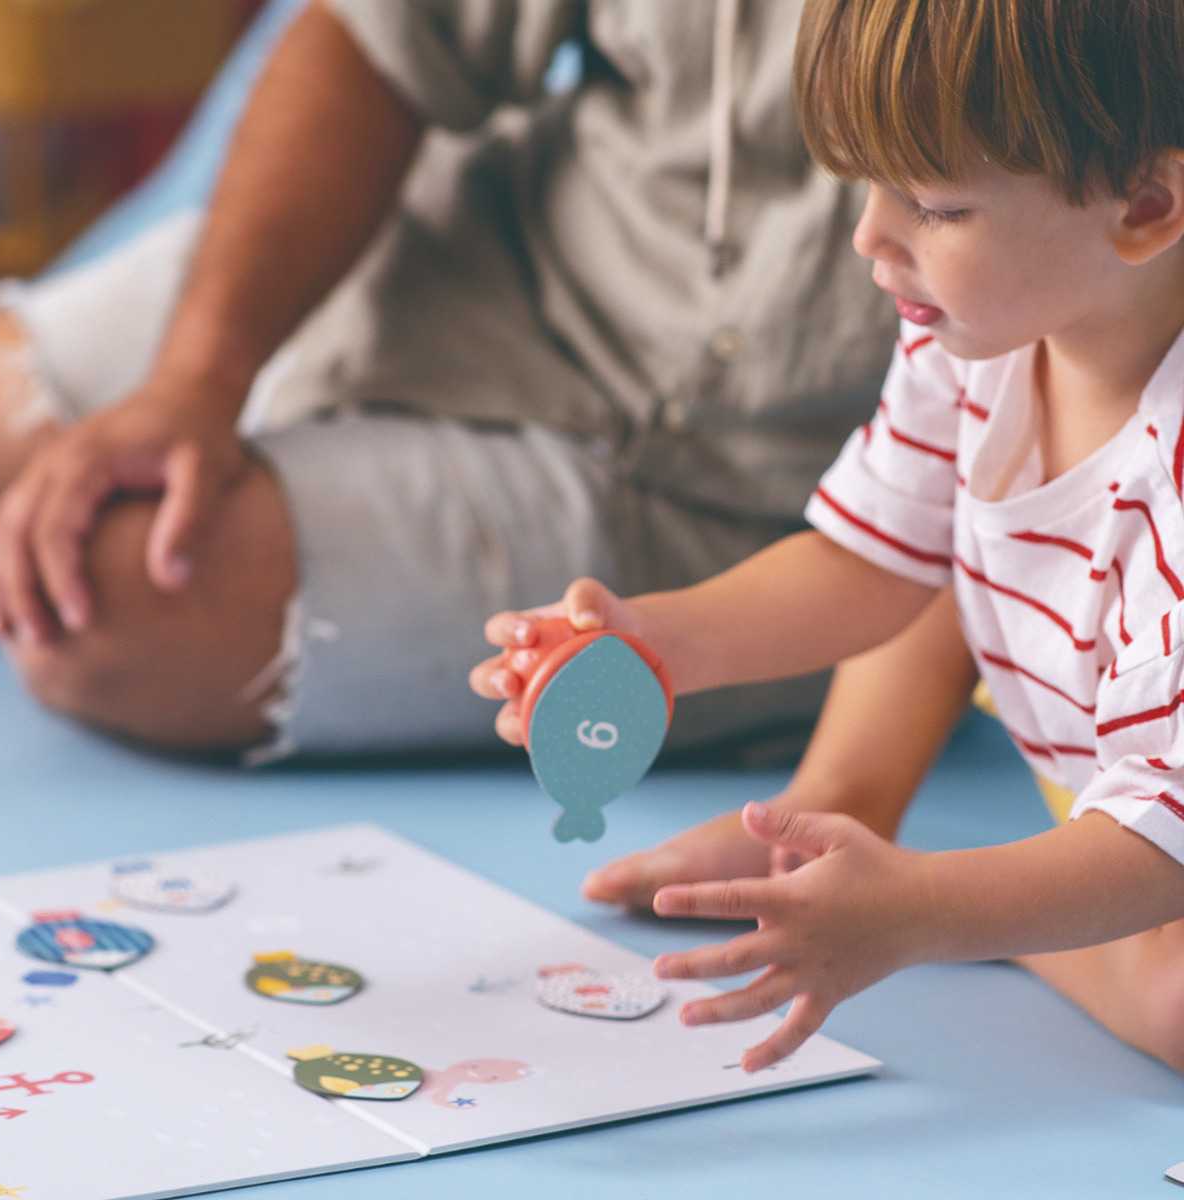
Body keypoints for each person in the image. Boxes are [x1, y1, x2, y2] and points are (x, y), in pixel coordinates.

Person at [472, 0, 1184, 1074]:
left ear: (1147, 205)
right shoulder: (978, 337)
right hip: (1119, 773)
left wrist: (926, 910)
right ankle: (873, 840)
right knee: (951, 526)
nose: (871, 239)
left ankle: (993, 920)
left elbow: (1165, 832)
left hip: (1158, 809)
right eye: (865, 183)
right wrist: (655, 642)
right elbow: (871, 559)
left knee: (1177, 1009)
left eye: (933, 205)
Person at [0, 0, 907, 763]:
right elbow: (377, 31)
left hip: (732, 488)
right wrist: (196, 380)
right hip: (491, 241)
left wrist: (846, 788)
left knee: (97, 601)